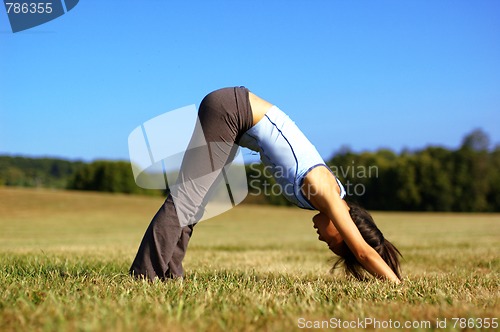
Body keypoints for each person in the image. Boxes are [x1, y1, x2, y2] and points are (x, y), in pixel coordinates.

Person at [129, 86, 402, 283]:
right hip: (231, 110)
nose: (324, 241)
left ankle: (169, 274)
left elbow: (363, 251)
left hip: (234, 115)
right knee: (186, 200)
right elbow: (364, 252)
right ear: (343, 230)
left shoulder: (327, 195)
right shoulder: (327, 193)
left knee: (195, 204)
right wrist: (397, 287)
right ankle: (145, 274)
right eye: (333, 244)